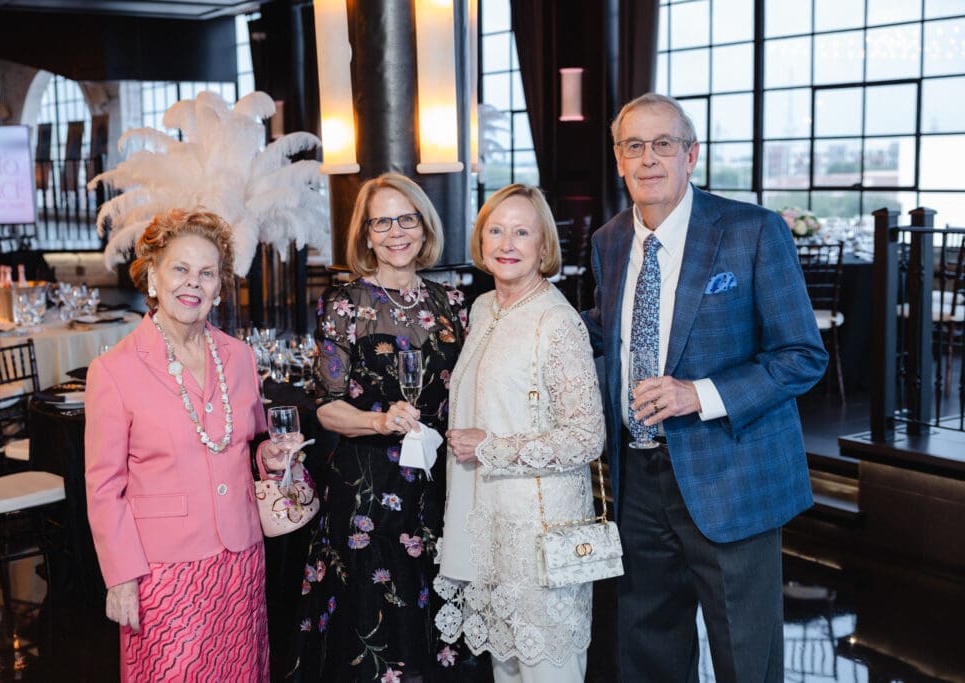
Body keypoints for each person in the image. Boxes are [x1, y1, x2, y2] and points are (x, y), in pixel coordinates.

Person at [582, 92, 829, 681]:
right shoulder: (609, 240)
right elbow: (605, 335)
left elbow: (801, 356)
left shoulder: (752, 231)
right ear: (618, 159)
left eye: (663, 144)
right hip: (636, 480)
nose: (648, 158)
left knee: (745, 659)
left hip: (731, 476)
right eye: (634, 146)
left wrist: (700, 394)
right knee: (647, 652)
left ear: (691, 156)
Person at [85, 208, 289, 681]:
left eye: (206, 273)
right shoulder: (114, 371)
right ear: (152, 278)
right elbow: (103, 487)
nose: (192, 282)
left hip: (240, 559)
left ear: (219, 288)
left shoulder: (240, 357)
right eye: (179, 268)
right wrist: (121, 577)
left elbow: (247, 444)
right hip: (162, 569)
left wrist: (270, 457)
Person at [291, 173, 474, 682]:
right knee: (371, 620)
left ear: (424, 225)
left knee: (434, 620)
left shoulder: (453, 303)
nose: (396, 232)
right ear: (366, 235)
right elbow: (326, 408)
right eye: (382, 222)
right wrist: (379, 419)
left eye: (407, 219)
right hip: (368, 492)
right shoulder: (344, 306)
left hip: (440, 484)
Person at [436, 184, 606, 683]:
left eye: (522, 232)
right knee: (506, 669)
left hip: (542, 533)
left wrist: (492, 448)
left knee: (549, 668)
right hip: (489, 525)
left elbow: (586, 436)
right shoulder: (483, 308)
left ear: (543, 244)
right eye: (495, 230)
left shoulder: (557, 322)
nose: (507, 243)